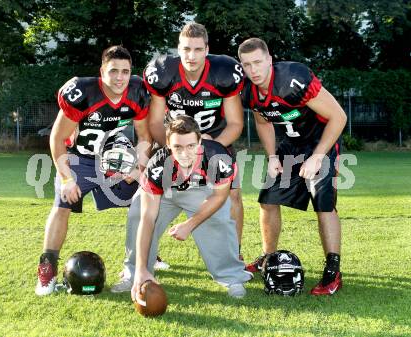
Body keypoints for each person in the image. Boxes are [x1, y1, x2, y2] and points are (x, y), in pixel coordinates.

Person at [35, 45, 152, 296]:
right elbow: (57, 139)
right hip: (79, 159)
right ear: (102, 71)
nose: (120, 77)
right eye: (113, 71)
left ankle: (142, 261)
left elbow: (144, 137)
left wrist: (137, 168)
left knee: (144, 199)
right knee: (62, 205)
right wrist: (66, 178)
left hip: (115, 160)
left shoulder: (137, 91)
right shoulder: (83, 93)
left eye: (125, 71)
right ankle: (47, 272)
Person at [238, 38, 347, 295]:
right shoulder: (248, 89)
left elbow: (338, 116)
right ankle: (268, 257)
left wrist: (318, 156)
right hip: (290, 145)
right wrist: (273, 156)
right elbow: (263, 122)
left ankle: (333, 271)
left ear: (269, 59)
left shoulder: (293, 79)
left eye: (257, 62)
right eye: (247, 65)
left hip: (322, 141)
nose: (253, 70)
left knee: (324, 203)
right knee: (268, 200)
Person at [112, 116, 252, 298]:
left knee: (219, 217)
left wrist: (189, 224)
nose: (185, 153)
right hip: (165, 192)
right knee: (138, 213)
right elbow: (147, 217)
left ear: (200, 142)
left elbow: (219, 197)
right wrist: (139, 269)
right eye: (178, 147)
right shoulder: (158, 164)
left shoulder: (218, 157)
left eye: (191, 146)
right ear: (168, 144)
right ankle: (135, 273)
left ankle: (231, 276)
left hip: (201, 190)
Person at [143, 22, 246, 258]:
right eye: (186, 49)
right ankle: (150, 252)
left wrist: (209, 147)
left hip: (216, 140)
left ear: (207, 49)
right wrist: (174, 149)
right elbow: (156, 123)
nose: (192, 55)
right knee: (156, 194)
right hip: (174, 144)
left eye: (198, 49)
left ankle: (233, 252)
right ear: (178, 49)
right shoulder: (163, 71)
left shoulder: (224, 72)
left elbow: (235, 124)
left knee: (232, 194)